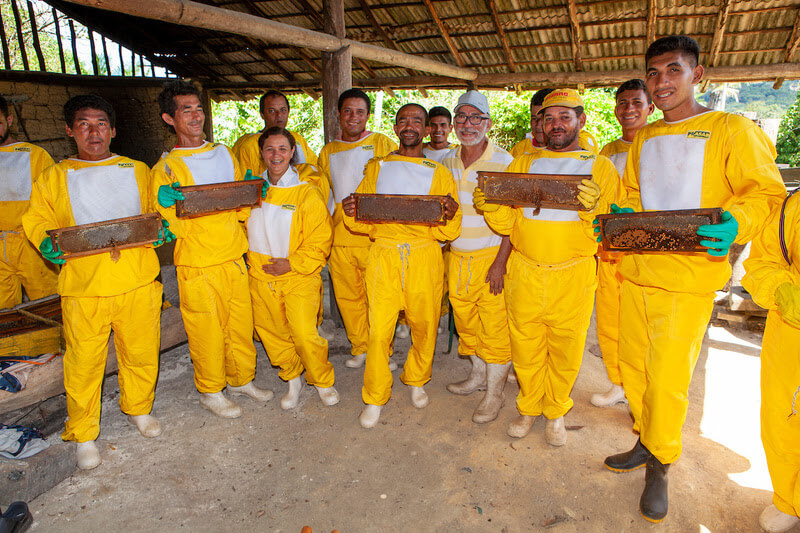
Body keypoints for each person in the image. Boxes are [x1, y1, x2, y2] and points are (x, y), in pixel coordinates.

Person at [606, 36, 786, 523]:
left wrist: (736, 223)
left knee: (667, 379)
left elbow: (765, 192)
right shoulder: (644, 137)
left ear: (697, 75)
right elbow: (634, 194)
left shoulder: (731, 128)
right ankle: (646, 439)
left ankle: (661, 463)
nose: (661, 81)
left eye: (673, 70)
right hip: (638, 271)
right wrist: (624, 216)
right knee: (634, 368)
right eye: (653, 72)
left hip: (688, 278)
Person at [22, 95, 171, 470]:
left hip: (136, 279)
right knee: (83, 363)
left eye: (101, 123)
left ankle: (138, 409)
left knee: (140, 352)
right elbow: (38, 218)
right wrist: (44, 239)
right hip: (84, 286)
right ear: (69, 130)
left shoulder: (137, 169)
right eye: (84, 124)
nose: (94, 132)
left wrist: (164, 224)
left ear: (113, 130)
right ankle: (84, 433)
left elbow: (155, 210)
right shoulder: (53, 176)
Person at [475, 88, 622, 446]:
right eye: (549, 118)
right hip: (525, 270)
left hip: (573, 274)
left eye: (564, 117)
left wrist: (594, 210)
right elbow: (509, 224)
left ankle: (555, 412)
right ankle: (528, 407)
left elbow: (612, 230)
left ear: (580, 120)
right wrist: (492, 207)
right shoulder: (524, 162)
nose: (556, 125)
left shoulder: (600, 167)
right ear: (540, 123)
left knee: (566, 350)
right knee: (525, 345)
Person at [152, 81, 273, 419]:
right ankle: (211, 390)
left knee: (239, 324)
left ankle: (241, 379)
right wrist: (163, 206)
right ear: (169, 119)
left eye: (198, 108)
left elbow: (240, 208)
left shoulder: (223, 152)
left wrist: (251, 192)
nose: (195, 116)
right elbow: (166, 227)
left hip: (233, 255)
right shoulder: (166, 168)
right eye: (185, 110)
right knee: (206, 330)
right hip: (198, 262)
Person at [341, 103, 461, 428]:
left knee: (425, 325)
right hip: (384, 255)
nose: (409, 126)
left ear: (427, 129)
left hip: (424, 256)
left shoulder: (439, 172)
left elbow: (450, 229)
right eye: (403, 121)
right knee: (379, 330)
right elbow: (360, 219)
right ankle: (375, 395)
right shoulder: (377, 168)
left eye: (417, 121)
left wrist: (451, 214)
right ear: (395, 128)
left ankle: (417, 379)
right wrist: (351, 209)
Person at [247, 127, 337, 410]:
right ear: (262, 153)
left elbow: (320, 238)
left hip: (299, 275)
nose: (276, 155)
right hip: (261, 276)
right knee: (273, 333)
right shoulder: (250, 190)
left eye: (282, 149)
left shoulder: (306, 192)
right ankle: (292, 379)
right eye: (270, 149)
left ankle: (322, 380)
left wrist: (292, 263)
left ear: (292, 152)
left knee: (303, 333)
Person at [441, 91, 514, 424]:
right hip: (457, 256)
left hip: (491, 257)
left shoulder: (505, 162)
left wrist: (500, 263)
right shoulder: (446, 161)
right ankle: (478, 375)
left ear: (488, 123)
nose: (467, 124)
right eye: (461, 117)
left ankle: (494, 394)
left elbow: (514, 218)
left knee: (495, 327)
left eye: (475, 118)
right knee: (466, 323)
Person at [318, 89, 397, 369]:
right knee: (349, 299)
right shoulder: (328, 151)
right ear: (338, 114)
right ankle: (361, 347)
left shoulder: (382, 143)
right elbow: (324, 194)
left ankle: (382, 352)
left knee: (379, 299)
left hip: (374, 237)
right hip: (340, 239)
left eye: (360, 112)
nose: (354, 117)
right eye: (348, 111)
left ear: (367, 116)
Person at [592, 79, 654, 409]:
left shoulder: (658, 144)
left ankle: (641, 389)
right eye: (623, 103)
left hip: (646, 251)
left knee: (642, 324)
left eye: (636, 103)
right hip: (610, 252)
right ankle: (618, 383)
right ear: (616, 110)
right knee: (609, 321)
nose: (629, 109)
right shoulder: (608, 152)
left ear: (650, 107)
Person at [742, 192, 800, 533]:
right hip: (793, 329)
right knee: (783, 416)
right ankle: (789, 500)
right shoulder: (794, 207)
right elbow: (764, 260)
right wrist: (781, 290)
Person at [0, 96, 58, 309]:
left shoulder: (35, 155)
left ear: (9, 120)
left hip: (31, 244)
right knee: (4, 313)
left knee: (47, 305)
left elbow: (54, 201)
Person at [232, 90, 318, 176]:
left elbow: (315, 171)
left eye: (283, 110)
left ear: (288, 112)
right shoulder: (250, 144)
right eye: (272, 111)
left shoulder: (298, 139)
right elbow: (244, 180)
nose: (279, 115)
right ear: (262, 114)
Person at [510, 88, 600, 158]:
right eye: (534, 119)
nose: (538, 125)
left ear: (581, 121)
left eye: (565, 117)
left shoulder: (582, 143)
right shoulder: (520, 152)